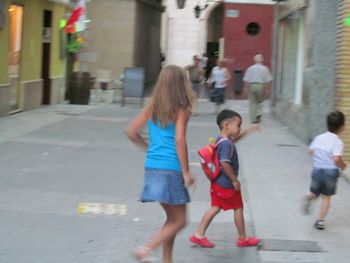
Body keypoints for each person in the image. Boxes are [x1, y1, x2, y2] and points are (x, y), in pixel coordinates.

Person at [127, 65, 196, 263]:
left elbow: (131, 132)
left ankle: (167, 260)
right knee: (180, 220)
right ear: (181, 83)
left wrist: (148, 147)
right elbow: (179, 140)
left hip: (152, 167)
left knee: (172, 219)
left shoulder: (151, 107)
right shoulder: (181, 109)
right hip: (171, 168)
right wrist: (186, 172)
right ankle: (146, 248)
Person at [189, 109, 260, 248]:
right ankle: (242, 238)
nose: (239, 128)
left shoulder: (221, 140)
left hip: (218, 183)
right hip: (226, 184)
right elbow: (224, 162)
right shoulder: (226, 144)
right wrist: (234, 180)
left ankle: (199, 234)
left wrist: (248, 130)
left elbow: (235, 139)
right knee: (238, 207)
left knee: (215, 208)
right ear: (227, 125)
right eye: (238, 125)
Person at [302, 111, 347, 230]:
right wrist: (343, 166)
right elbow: (337, 158)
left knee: (315, 192)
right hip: (330, 173)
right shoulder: (338, 142)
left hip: (317, 170)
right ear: (342, 127)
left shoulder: (319, 138)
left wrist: (318, 158)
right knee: (326, 197)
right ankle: (320, 221)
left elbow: (310, 151)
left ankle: (310, 196)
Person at [243, 54, 272, 124]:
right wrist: (267, 89)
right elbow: (268, 80)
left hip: (252, 85)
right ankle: (258, 113)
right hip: (261, 86)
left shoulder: (250, 68)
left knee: (252, 102)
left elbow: (246, 79)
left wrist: (245, 88)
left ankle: (253, 119)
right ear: (262, 60)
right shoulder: (265, 68)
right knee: (260, 101)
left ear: (254, 60)